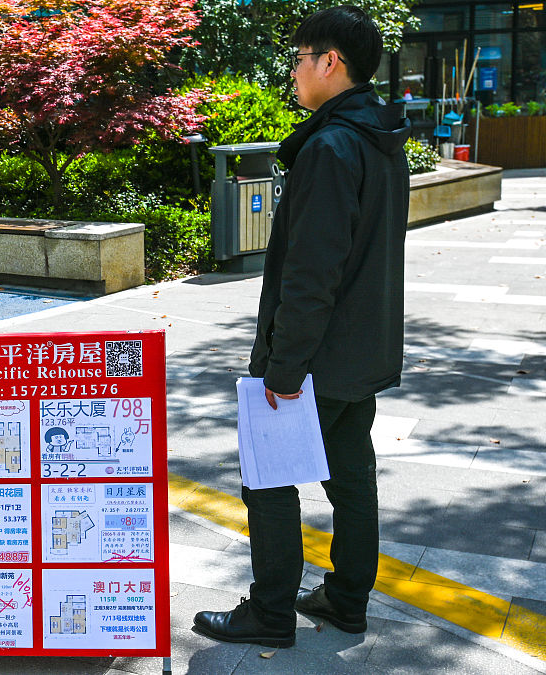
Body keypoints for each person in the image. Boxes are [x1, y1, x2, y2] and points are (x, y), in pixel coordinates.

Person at [192, 5, 410, 648]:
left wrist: (283, 370)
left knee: (268, 477)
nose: (292, 73)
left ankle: (271, 614)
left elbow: (312, 274)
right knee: (350, 479)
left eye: (297, 59)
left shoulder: (330, 146)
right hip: (362, 351)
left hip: (315, 358)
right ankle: (346, 600)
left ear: (329, 64)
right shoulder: (380, 137)